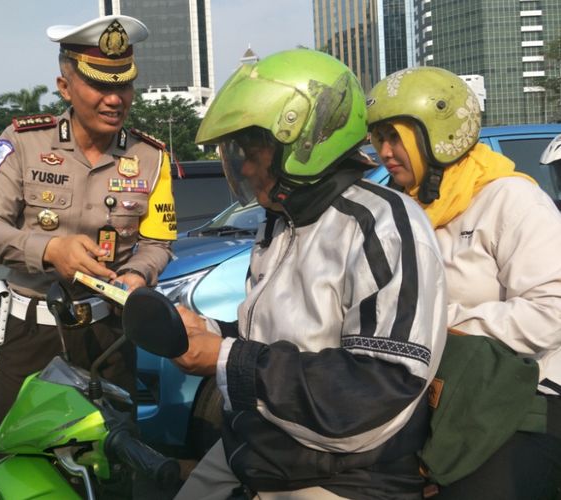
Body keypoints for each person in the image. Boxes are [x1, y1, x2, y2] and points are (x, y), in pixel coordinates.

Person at [172, 49, 447, 499]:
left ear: (303, 144)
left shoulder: (382, 226)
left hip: (344, 469)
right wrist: (211, 332)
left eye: (252, 149)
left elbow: (378, 386)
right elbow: (279, 334)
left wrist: (225, 358)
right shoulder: (283, 220)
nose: (242, 166)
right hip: (264, 445)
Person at [0, 14, 177, 424]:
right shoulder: (23, 142)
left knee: (116, 459)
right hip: (31, 331)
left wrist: (136, 273)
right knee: (27, 458)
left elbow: (158, 243)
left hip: (109, 335)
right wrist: (50, 249)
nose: (115, 99)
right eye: (100, 84)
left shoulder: (151, 157)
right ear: (65, 86)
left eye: (124, 84)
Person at [366, 66, 561, 499]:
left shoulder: (509, 198)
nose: (385, 151)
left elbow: (551, 312)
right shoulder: (404, 211)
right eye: (379, 138)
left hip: (526, 396)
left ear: (439, 135)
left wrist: (438, 328)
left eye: (396, 137)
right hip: (435, 397)